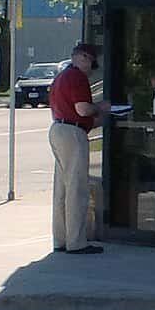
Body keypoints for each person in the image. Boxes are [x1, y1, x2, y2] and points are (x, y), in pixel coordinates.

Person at [48, 43, 103, 254]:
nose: (92, 68)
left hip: (57, 129)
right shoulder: (77, 77)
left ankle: (60, 239)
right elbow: (82, 109)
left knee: (61, 189)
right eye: (92, 62)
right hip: (73, 133)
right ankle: (77, 242)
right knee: (76, 188)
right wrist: (101, 108)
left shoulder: (61, 76)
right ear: (84, 57)